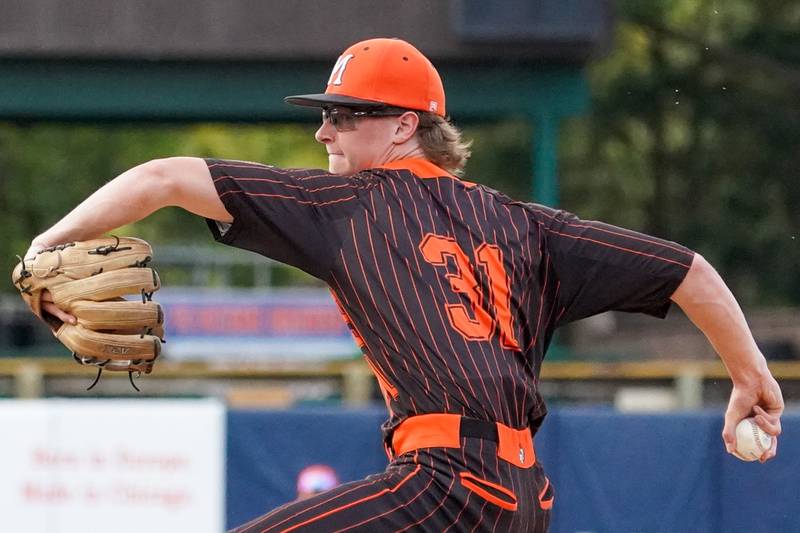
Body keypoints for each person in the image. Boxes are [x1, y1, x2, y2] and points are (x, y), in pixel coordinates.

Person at [25, 38, 783, 532]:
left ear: (402, 127)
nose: (324, 133)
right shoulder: (529, 225)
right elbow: (690, 269)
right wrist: (751, 374)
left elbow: (164, 176)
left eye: (344, 117)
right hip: (522, 500)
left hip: (448, 484)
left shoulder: (350, 205)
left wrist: (50, 243)